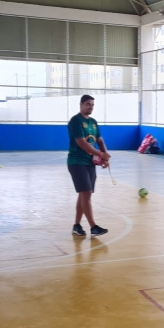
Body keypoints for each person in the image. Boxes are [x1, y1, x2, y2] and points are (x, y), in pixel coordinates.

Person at [67, 94, 110, 237]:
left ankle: (77, 225)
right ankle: (93, 227)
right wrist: (100, 153)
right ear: (80, 105)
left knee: (85, 194)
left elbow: (100, 140)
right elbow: (82, 143)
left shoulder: (93, 122)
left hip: (89, 162)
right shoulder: (75, 121)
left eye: (92, 105)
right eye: (87, 104)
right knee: (85, 193)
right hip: (76, 162)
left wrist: (105, 156)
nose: (90, 107)